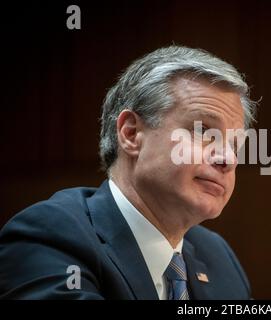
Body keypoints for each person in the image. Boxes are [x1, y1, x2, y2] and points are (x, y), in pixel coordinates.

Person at [0, 46, 257, 299]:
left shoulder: (219, 258)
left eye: (234, 145)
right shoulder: (51, 236)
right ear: (131, 134)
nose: (228, 159)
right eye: (203, 131)